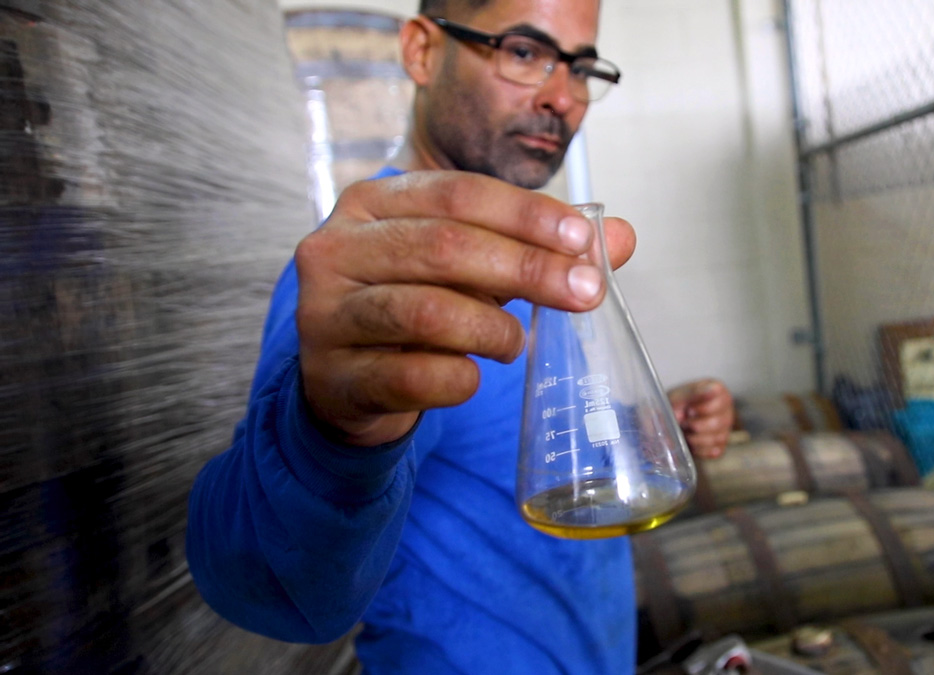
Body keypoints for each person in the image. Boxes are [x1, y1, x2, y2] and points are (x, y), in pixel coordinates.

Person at [186, 0, 735, 672]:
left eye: (582, 68)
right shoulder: (366, 280)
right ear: (421, 51)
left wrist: (643, 422)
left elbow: (517, 432)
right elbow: (273, 588)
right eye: (525, 52)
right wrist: (330, 433)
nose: (562, 97)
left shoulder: (531, 256)